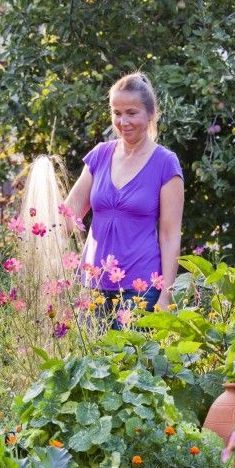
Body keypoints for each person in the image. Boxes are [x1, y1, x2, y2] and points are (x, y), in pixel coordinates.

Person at [65, 72, 184, 323]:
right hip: (94, 284)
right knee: (91, 361)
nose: (123, 121)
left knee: (130, 361)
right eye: (116, 113)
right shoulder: (99, 155)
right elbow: (69, 216)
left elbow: (170, 235)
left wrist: (166, 295)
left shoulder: (165, 163)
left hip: (140, 288)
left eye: (131, 112)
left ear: (150, 114)